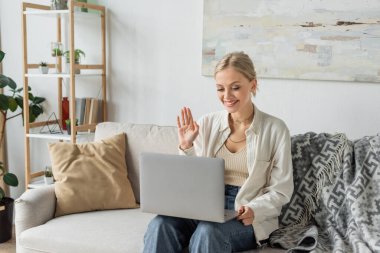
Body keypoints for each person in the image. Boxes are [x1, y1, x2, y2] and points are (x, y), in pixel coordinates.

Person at [143, 52, 294, 253]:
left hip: (245, 211)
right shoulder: (207, 123)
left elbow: (281, 190)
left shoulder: (275, 129)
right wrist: (187, 147)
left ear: (253, 85)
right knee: (160, 225)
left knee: (208, 232)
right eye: (220, 89)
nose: (227, 96)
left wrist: (255, 210)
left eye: (236, 87)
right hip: (204, 205)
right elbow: (191, 180)